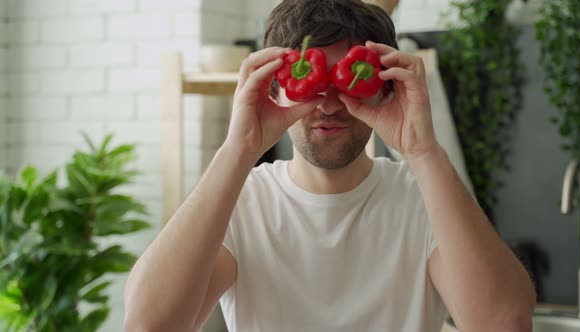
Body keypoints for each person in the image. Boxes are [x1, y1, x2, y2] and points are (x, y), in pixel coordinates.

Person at [123, 0, 536, 331]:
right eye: (312, 82)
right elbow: (149, 324)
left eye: (351, 81)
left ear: (384, 90)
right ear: (276, 88)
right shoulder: (240, 202)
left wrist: (424, 152)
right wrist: (238, 149)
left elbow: (505, 324)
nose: (329, 105)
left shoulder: (424, 199)